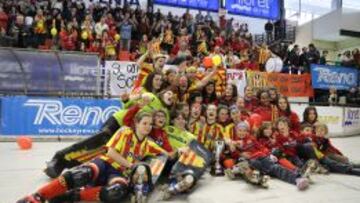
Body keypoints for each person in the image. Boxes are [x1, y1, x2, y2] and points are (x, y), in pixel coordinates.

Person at [18, 112, 166, 203]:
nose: (148, 127)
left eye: (150, 124)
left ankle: (73, 197)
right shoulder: (125, 132)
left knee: (117, 191)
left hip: (118, 174)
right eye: (145, 123)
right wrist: (131, 165)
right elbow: (111, 153)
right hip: (105, 164)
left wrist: (182, 151)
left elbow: (168, 153)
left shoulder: (149, 144)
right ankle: (38, 196)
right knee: (81, 174)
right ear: (136, 123)